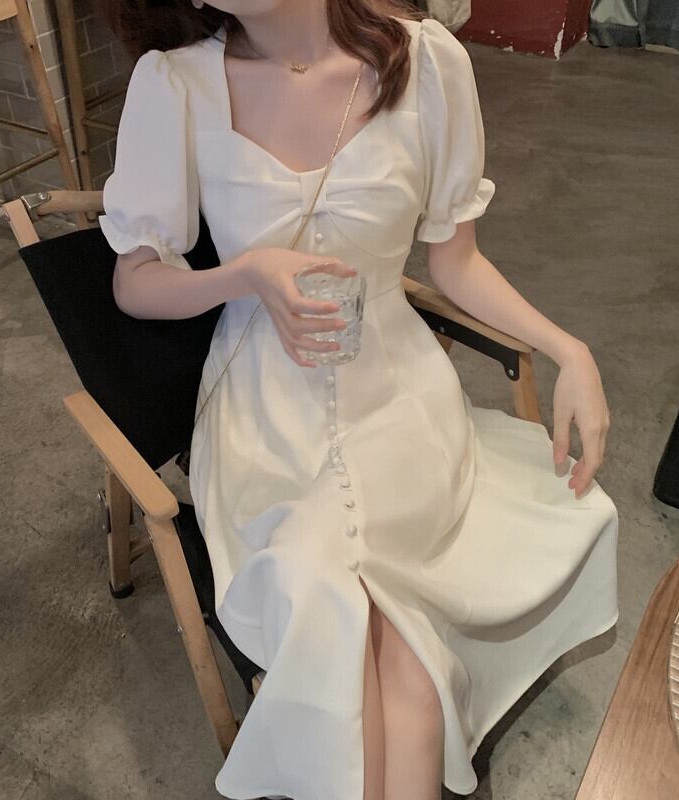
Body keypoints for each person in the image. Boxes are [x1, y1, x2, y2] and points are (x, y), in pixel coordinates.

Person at [97, 0, 619, 798]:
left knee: (383, 651)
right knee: (342, 606)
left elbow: (455, 259)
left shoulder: (429, 64)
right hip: (261, 412)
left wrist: (568, 348)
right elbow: (134, 281)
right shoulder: (174, 85)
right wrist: (243, 275)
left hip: (398, 397)